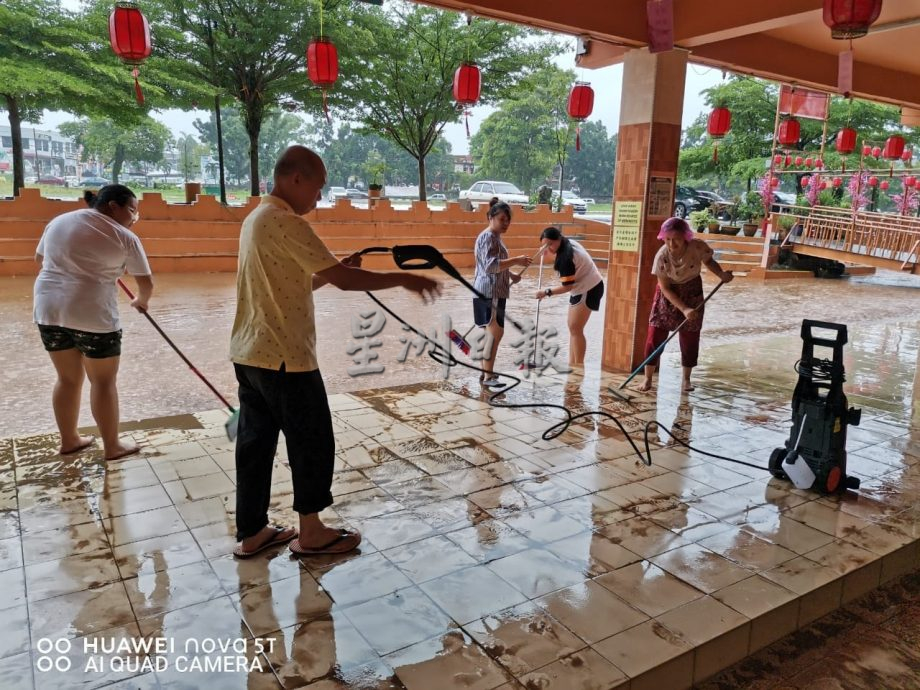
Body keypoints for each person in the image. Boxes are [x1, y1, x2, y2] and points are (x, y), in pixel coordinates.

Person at [230, 145, 441, 559]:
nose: (319, 197)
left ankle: (253, 531)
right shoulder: (286, 221)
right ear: (295, 179)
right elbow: (347, 280)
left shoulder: (256, 219)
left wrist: (333, 269)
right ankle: (311, 532)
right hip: (285, 358)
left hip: (250, 353)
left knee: (254, 446)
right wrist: (403, 279)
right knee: (312, 441)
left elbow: (296, 284)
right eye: (317, 186)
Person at [33, 185, 153, 460]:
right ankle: (112, 446)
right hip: (93, 315)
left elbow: (39, 259)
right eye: (132, 210)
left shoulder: (59, 221)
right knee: (103, 381)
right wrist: (141, 301)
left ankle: (69, 440)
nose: (134, 217)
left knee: (66, 379)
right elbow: (145, 283)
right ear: (113, 206)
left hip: (49, 311)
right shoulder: (125, 237)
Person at [640, 216, 733, 393]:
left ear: (685, 237)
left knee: (690, 337)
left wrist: (721, 274)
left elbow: (709, 261)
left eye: (676, 239)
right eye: (667, 239)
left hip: (692, 292)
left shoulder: (697, 247)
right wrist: (683, 308)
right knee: (655, 337)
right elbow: (665, 288)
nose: (671, 244)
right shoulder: (661, 256)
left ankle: (686, 380)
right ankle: (647, 378)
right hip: (668, 296)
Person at [472, 198, 532, 387]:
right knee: (494, 334)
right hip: (491, 292)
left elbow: (492, 265)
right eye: (502, 219)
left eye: (508, 220)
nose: (506, 224)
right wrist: (516, 260)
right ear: (491, 217)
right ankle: (489, 376)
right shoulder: (489, 237)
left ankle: (486, 373)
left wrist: (511, 274)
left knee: (490, 334)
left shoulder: (493, 237)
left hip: (490, 290)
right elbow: (490, 267)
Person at [534, 226, 604, 368]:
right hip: (583, 286)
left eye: (550, 244)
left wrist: (546, 292)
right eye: (544, 245)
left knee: (576, 328)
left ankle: (578, 366)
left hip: (589, 288)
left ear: (558, 239)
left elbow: (567, 287)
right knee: (573, 328)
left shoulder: (567, 258)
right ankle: (573, 364)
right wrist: (546, 250)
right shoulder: (567, 242)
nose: (548, 248)